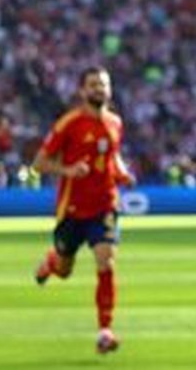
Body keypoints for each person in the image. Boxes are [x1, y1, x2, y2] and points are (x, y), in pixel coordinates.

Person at [32, 66, 132, 355]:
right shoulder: (69, 124)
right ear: (82, 90)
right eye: (93, 85)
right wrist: (67, 170)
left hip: (105, 205)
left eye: (103, 84)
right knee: (64, 269)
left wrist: (123, 174)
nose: (99, 89)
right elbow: (39, 163)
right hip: (73, 209)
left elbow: (113, 157)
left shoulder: (115, 123)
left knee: (106, 260)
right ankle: (51, 262)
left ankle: (105, 330)